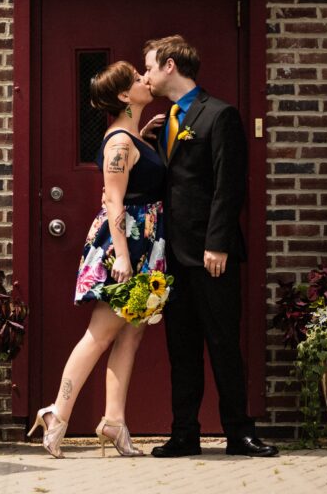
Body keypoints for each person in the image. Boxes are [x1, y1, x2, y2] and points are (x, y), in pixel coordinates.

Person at [140, 35, 278, 458]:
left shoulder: (219, 116)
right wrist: (145, 142)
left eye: (148, 67)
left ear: (169, 66)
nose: (145, 76)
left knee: (222, 344)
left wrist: (217, 243)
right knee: (181, 350)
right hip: (172, 257)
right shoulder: (164, 123)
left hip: (210, 255)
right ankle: (185, 435)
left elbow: (228, 186)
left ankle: (239, 433)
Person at [28, 61, 166, 458]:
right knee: (100, 333)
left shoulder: (128, 138)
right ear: (125, 95)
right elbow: (114, 200)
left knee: (131, 333)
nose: (145, 81)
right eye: (138, 79)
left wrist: (143, 140)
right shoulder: (120, 143)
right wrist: (122, 257)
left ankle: (114, 421)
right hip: (126, 247)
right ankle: (58, 413)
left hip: (144, 244)